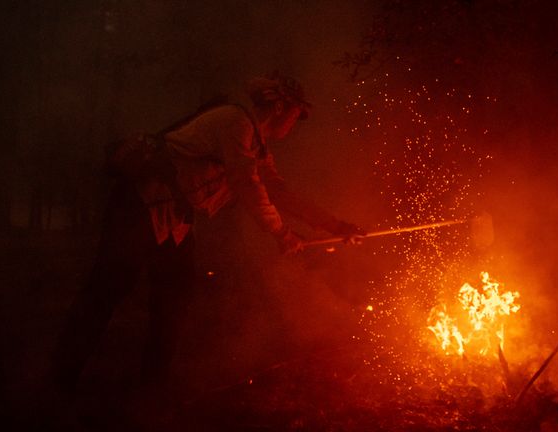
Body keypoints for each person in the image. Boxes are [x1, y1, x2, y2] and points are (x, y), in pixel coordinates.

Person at [50, 72, 365, 393]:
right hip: (140, 204)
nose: (296, 122)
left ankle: (151, 392)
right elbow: (247, 185)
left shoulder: (257, 147)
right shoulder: (235, 123)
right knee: (105, 292)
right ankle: (59, 383)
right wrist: (282, 234)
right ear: (280, 108)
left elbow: (281, 195)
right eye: (296, 114)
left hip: (174, 218)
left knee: (173, 301)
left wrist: (337, 227)